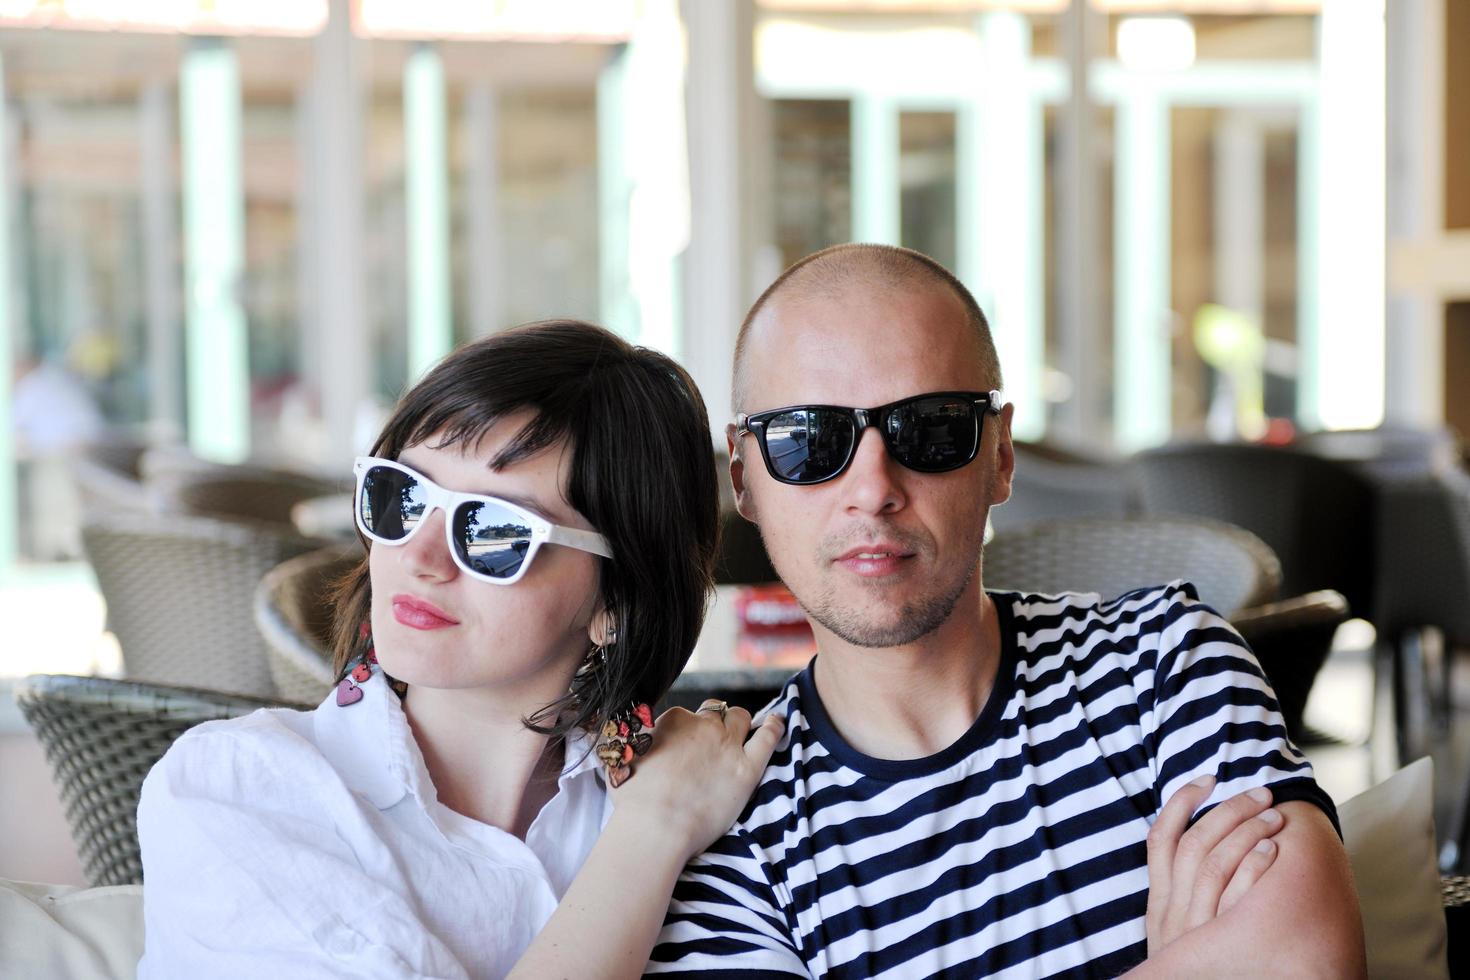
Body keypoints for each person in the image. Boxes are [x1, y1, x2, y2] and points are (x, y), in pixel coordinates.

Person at [649, 244, 1365, 977]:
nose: (873, 488)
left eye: (929, 429)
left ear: (1001, 456)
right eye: (809, 440)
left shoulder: (1166, 665)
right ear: (744, 477)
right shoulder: (732, 828)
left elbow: (1308, 959)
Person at [137, 319, 783, 978]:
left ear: (615, 600)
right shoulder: (235, 792)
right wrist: (652, 834)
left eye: (496, 530)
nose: (417, 554)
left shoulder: (693, 788)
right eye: (401, 496)